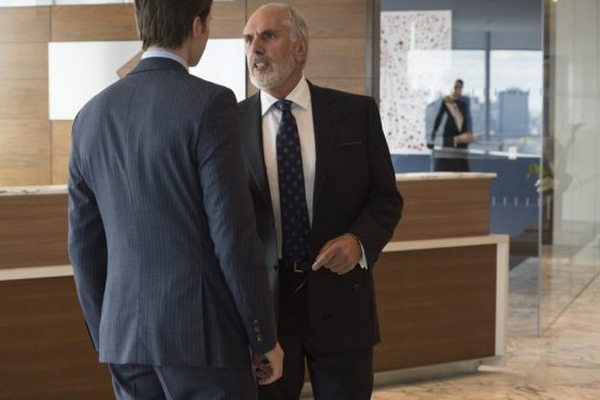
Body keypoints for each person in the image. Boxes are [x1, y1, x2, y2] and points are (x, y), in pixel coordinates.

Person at [67, 0, 283, 398]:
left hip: (124, 340)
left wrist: (108, 335)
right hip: (203, 340)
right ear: (197, 26)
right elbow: (233, 236)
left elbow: (83, 247)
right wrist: (262, 335)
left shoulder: (89, 116)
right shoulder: (210, 104)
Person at [239, 4, 403, 399]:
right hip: (265, 311)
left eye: (268, 36)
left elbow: (386, 199)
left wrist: (358, 242)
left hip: (342, 303)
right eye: (248, 39)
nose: (255, 48)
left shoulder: (355, 113)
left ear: (300, 48)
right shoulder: (228, 123)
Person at [428, 79, 475, 171]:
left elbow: (466, 126)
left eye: (460, 88)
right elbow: (433, 135)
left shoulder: (463, 105)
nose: (458, 91)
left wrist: (469, 137)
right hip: (445, 155)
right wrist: (456, 140)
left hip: (461, 154)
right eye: (456, 88)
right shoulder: (440, 105)